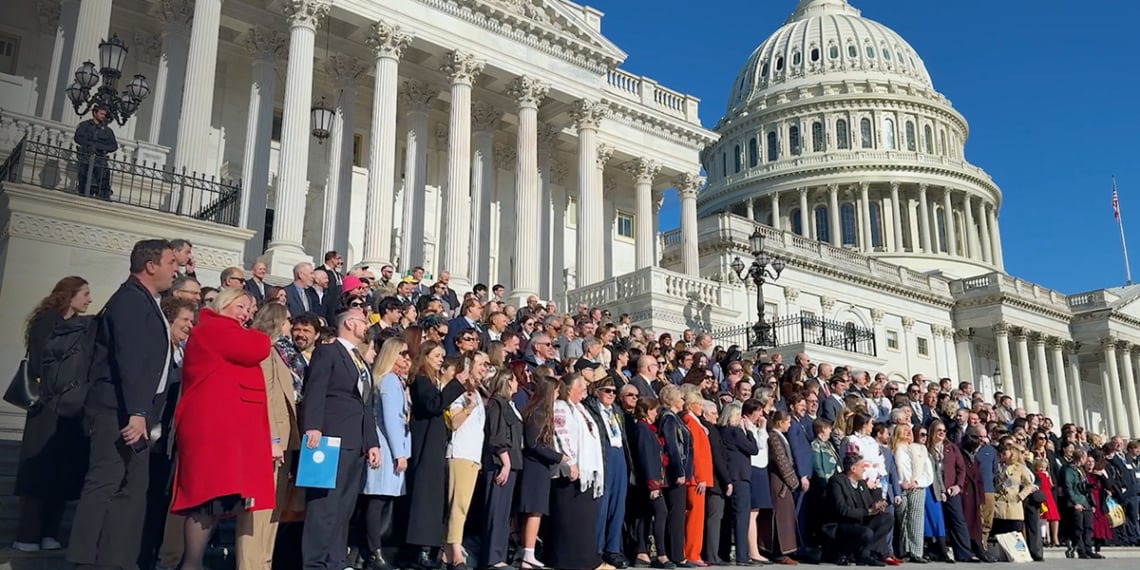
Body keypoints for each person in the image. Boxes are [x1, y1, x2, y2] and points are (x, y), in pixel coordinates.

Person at [68, 239, 177, 570]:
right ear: (151, 265)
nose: (178, 268)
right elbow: (129, 359)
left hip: (134, 411)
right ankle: (84, 560)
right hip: (117, 410)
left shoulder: (148, 300)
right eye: (171, 261)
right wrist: (137, 412)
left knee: (132, 488)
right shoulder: (130, 300)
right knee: (105, 483)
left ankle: (117, 560)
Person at [170, 288, 273, 570]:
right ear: (224, 304)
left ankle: (193, 562)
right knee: (205, 499)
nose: (246, 315)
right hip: (212, 430)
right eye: (240, 307)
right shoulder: (214, 327)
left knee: (215, 501)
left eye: (249, 311)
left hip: (224, 431)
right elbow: (257, 348)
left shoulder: (218, 329)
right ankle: (190, 564)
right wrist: (260, 331)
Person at [13, 276, 94, 552]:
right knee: (40, 472)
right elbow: (41, 363)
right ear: (69, 295)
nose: (89, 299)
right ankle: (28, 534)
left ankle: (49, 532)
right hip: (45, 406)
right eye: (84, 294)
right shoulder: (47, 323)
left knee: (61, 470)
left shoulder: (75, 326)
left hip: (67, 409)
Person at [301, 311, 383, 570]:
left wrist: (372, 442)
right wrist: (313, 426)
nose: (366, 326)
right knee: (324, 505)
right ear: (349, 323)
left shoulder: (360, 359)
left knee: (344, 507)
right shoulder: (328, 352)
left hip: (355, 442)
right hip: (329, 438)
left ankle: (336, 561)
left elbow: (365, 404)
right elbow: (315, 389)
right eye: (363, 321)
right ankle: (314, 562)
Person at [242, 302, 303, 570]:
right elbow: (264, 396)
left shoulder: (278, 352)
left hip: (283, 440)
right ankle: (251, 564)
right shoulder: (263, 350)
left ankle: (264, 563)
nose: (291, 325)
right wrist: (273, 439)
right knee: (259, 510)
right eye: (288, 320)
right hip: (269, 440)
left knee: (274, 509)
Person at [405, 343, 466, 569]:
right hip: (425, 447)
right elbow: (432, 405)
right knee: (424, 496)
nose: (441, 359)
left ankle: (429, 547)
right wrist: (457, 384)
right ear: (425, 357)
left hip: (435, 445)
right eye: (437, 355)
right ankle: (419, 549)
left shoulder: (431, 381)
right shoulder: (421, 380)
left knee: (432, 496)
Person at [361, 337, 413, 570]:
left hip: (387, 446)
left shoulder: (391, 381)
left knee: (379, 500)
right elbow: (392, 420)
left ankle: (374, 550)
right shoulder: (389, 381)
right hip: (386, 448)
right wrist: (399, 453)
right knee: (377, 499)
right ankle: (374, 552)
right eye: (402, 353)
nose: (407, 359)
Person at [547, 373, 605, 570]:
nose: (584, 389)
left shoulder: (581, 409)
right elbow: (561, 435)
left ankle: (586, 559)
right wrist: (570, 462)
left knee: (584, 520)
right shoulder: (561, 407)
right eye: (580, 386)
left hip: (586, 473)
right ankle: (567, 560)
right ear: (569, 389)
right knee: (569, 519)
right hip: (569, 471)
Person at [477, 369, 524, 569]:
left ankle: (499, 555)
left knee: (504, 511)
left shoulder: (509, 405)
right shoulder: (497, 403)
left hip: (511, 462)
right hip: (499, 463)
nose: (517, 384)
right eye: (514, 380)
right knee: (496, 510)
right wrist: (505, 462)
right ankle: (492, 558)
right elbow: (497, 436)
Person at [825, 453, 894, 566]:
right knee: (866, 532)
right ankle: (853, 553)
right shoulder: (837, 481)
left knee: (887, 518)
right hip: (843, 526)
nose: (864, 470)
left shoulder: (861, 483)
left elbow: (868, 505)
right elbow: (842, 510)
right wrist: (868, 512)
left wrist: (876, 506)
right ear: (853, 468)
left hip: (860, 523)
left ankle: (864, 553)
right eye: (862, 467)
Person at [719, 402, 758, 566]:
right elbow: (753, 449)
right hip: (740, 478)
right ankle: (742, 555)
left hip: (732, 477)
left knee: (730, 516)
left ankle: (726, 553)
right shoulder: (734, 432)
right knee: (742, 516)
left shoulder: (723, 432)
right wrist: (749, 431)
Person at [74, 104, 119, 199]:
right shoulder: (85, 126)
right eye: (101, 114)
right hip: (86, 158)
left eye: (104, 114)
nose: (103, 116)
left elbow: (113, 146)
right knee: (84, 180)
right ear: (94, 113)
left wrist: (99, 147)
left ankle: (103, 196)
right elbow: (78, 138)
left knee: (103, 181)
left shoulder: (107, 130)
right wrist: (90, 145)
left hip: (100, 159)